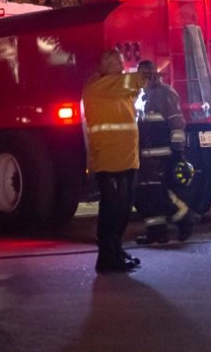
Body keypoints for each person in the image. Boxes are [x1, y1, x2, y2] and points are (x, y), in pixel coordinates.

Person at [81, 48, 144, 272]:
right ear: (102, 65)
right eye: (114, 61)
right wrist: (146, 74)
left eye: (121, 61)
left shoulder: (117, 88)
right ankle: (106, 257)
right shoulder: (97, 87)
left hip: (127, 158)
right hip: (109, 160)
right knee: (112, 209)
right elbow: (134, 82)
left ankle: (115, 249)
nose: (120, 65)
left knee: (124, 209)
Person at [134, 58, 195, 244]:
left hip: (163, 155)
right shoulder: (139, 96)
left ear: (154, 74)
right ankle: (156, 231)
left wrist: (178, 152)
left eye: (148, 74)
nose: (145, 78)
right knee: (146, 195)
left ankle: (185, 220)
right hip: (145, 156)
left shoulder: (165, 93)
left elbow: (177, 123)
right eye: (141, 74)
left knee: (160, 194)